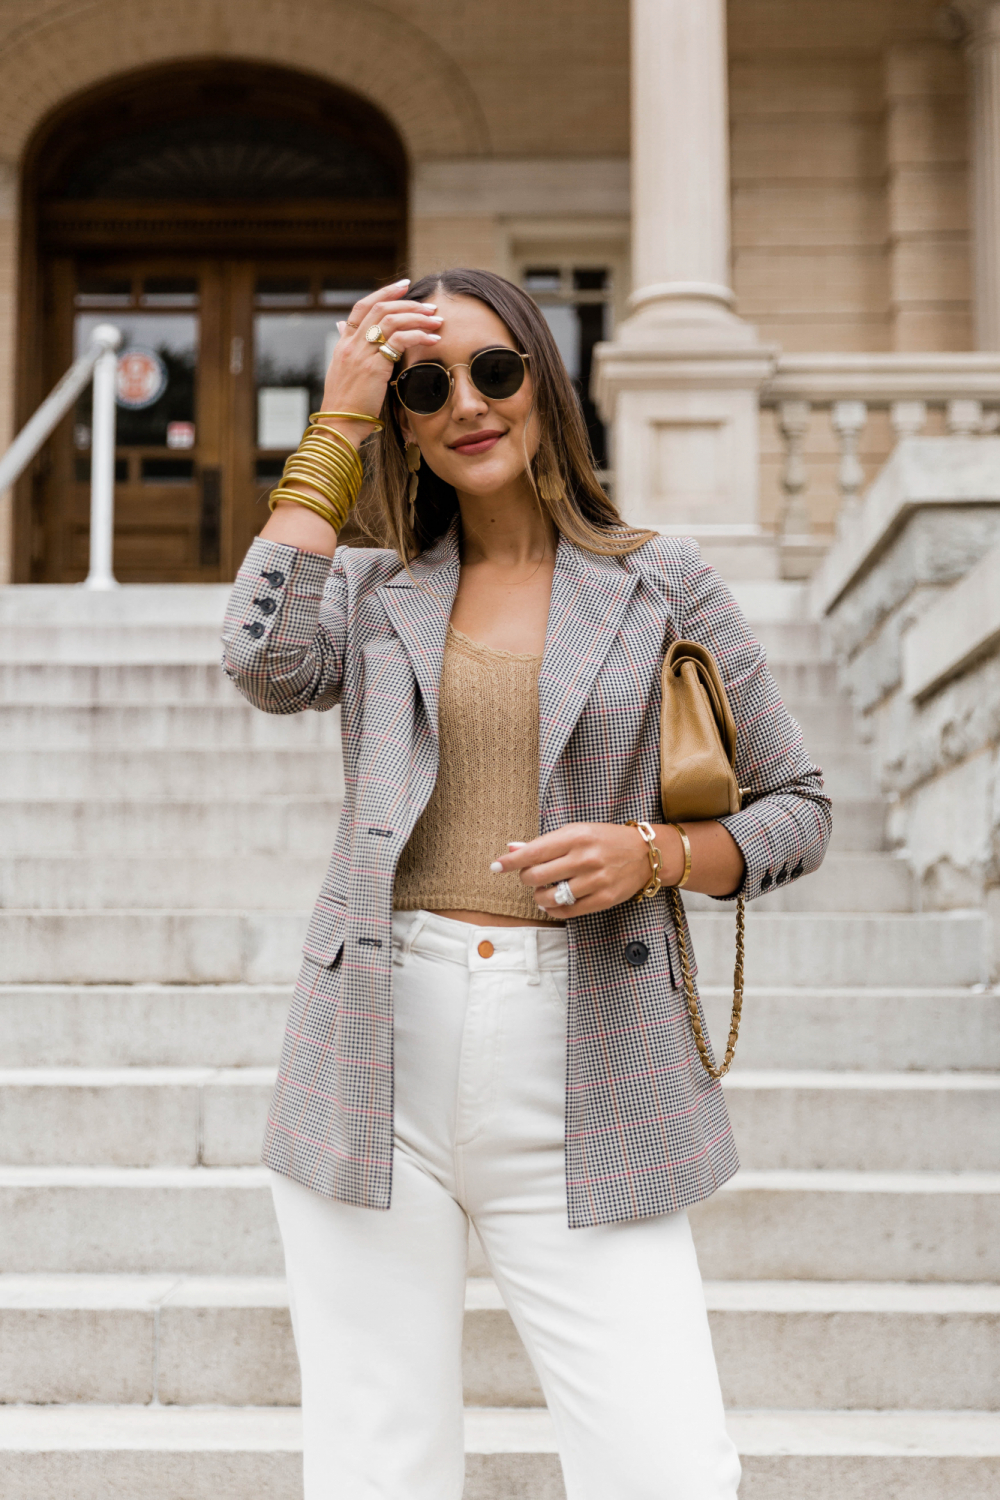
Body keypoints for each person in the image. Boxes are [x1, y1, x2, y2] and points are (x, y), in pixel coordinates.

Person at [222, 268, 831, 1500]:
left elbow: (798, 811)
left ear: (543, 384)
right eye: (424, 386)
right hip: (375, 1047)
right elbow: (260, 660)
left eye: (495, 371)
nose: (467, 404)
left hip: (589, 1043)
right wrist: (334, 426)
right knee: (374, 1462)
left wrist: (653, 854)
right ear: (401, 418)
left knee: (662, 1465)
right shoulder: (375, 590)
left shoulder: (663, 582)